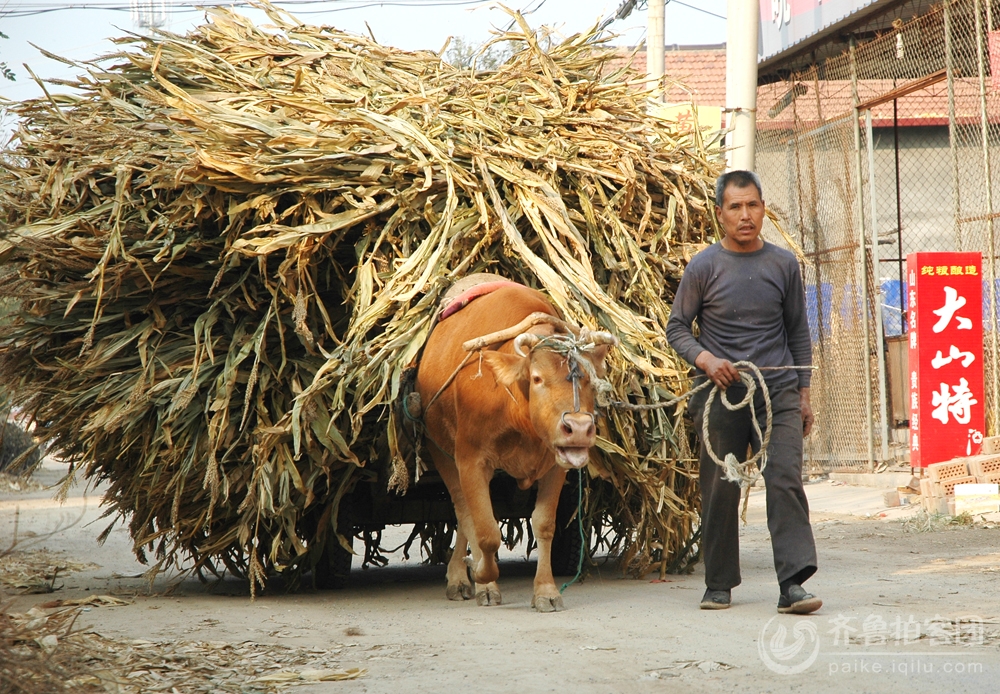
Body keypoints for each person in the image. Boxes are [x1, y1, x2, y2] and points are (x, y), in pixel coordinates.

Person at [665, 170, 820, 615]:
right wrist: (706, 360)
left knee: (785, 479)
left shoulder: (783, 264)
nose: (746, 215)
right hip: (722, 395)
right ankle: (718, 583)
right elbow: (677, 327)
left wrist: (804, 393)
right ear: (720, 214)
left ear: (763, 208)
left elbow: (798, 331)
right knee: (720, 487)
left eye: (753, 205)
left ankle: (793, 584)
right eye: (735, 207)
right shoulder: (704, 266)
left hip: (778, 391)